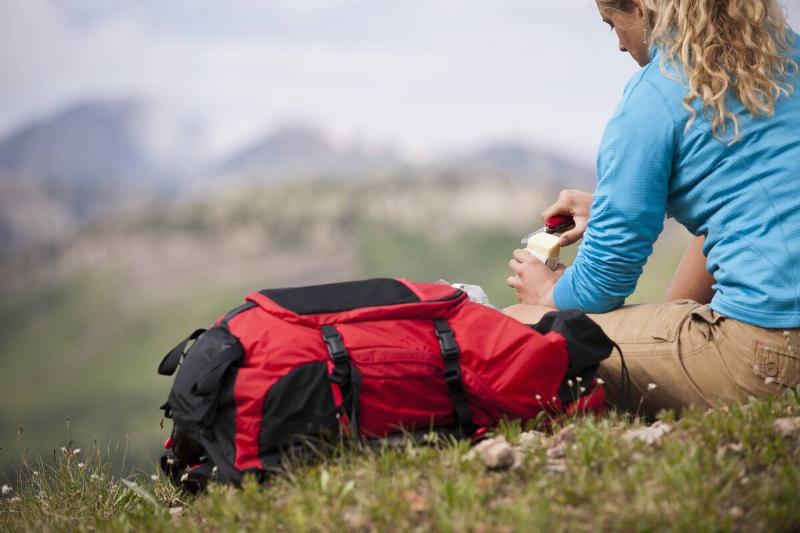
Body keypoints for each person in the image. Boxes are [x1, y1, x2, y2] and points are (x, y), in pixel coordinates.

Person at [504, 0, 800, 418]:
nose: (621, 46)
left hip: (771, 354)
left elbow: (604, 281)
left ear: (644, 9)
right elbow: (751, 192)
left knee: (519, 325)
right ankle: (670, 349)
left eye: (613, 25)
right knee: (706, 240)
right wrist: (608, 208)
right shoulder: (784, 54)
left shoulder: (657, 92)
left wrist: (548, 292)